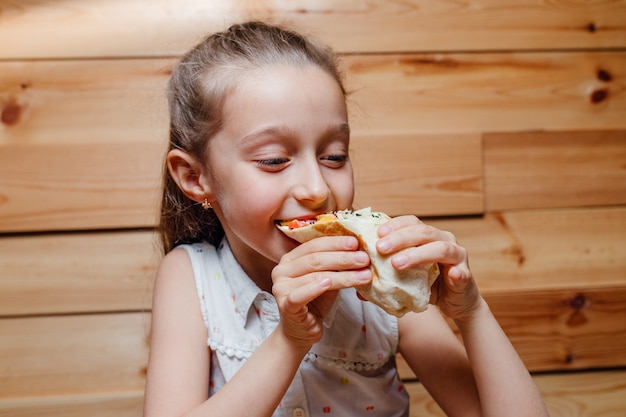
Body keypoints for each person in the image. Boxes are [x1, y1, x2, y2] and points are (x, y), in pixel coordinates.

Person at [143, 21, 549, 417]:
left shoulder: (380, 277)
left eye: (334, 155)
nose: (317, 188)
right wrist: (290, 341)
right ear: (195, 178)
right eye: (274, 160)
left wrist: (472, 311)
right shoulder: (191, 276)